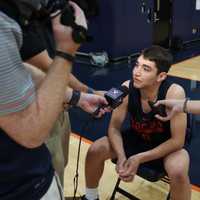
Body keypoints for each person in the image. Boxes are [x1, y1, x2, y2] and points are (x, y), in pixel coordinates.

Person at [0, 2, 108, 200]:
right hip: (20, 186)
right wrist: (67, 52)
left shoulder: (20, 18)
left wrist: (77, 97)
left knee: (60, 162)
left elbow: (23, 69)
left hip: (33, 172)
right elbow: (30, 133)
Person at [82, 46, 191, 200]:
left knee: (179, 169)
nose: (137, 72)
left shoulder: (174, 92)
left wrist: (138, 158)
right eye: (137, 65)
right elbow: (114, 127)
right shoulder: (127, 87)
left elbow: (177, 141)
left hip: (166, 146)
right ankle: (91, 197)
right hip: (138, 138)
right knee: (96, 149)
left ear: (161, 76)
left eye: (146, 68)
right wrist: (121, 156)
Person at [19, 11, 104, 187]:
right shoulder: (14, 21)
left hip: (59, 105)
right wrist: (84, 92)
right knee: (52, 172)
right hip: (36, 113)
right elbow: (43, 66)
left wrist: (79, 95)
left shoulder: (41, 18)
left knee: (61, 163)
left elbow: (50, 68)